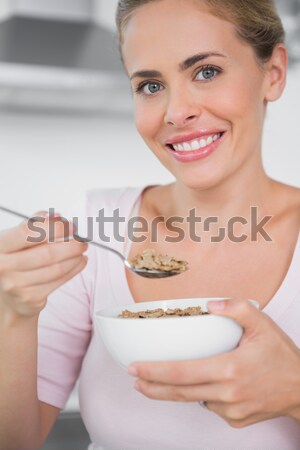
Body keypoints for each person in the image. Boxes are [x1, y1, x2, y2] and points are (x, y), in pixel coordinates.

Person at [0, 0, 300, 449]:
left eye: (206, 72)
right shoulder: (98, 233)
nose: (176, 112)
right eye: (151, 84)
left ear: (273, 72)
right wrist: (13, 313)